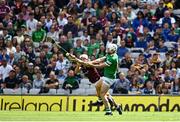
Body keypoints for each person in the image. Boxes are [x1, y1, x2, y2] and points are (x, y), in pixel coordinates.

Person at [72, 43, 122, 115]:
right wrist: (78, 62)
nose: (107, 50)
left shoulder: (112, 58)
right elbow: (99, 59)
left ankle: (108, 111)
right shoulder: (109, 55)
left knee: (103, 94)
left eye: (83, 59)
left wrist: (78, 60)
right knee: (102, 91)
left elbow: (100, 66)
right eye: (81, 58)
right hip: (104, 77)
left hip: (108, 78)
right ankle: (116, 106)